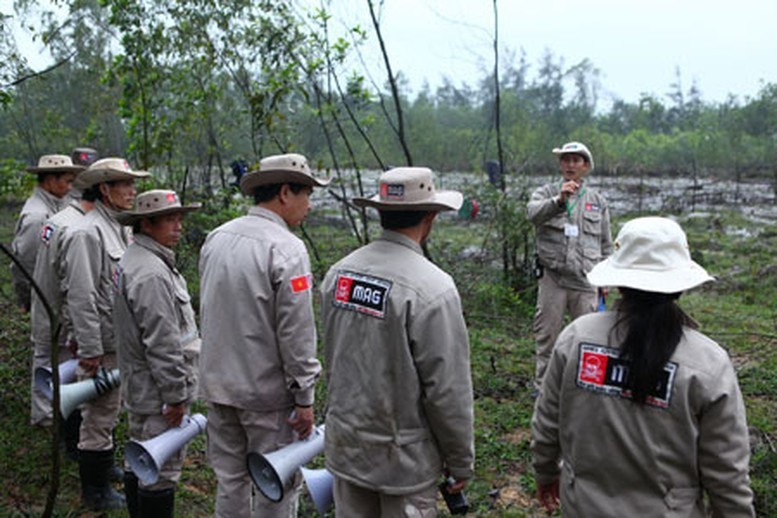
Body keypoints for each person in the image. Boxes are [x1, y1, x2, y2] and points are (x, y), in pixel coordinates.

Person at [531, 217, 755, 517]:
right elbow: (727, 474)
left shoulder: (576, 338)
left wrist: (546, 474)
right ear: (680, 284)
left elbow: (547, 424)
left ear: (619, 280)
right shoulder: (708, 364)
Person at [320, 166, 475, 517]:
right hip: (402, 462)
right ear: (431, 217)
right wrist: (460, 460)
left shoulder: (339, 274)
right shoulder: (433, 289)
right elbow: (447, 390)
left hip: (347, 448)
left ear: (380, 213)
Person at [198, 153, 328, 517]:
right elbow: (296, 330)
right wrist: (304, 396)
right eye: (307, 194)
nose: (310, 205)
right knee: (277, 487)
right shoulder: (286, 248)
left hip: (218, 387)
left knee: (230, 480)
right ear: (285, 192)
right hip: (266, 398)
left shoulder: (217, 237)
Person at [61, 157, 150, 511]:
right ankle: (94, 490)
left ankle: (102, 466)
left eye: (132, 184)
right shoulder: (87, 232)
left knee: (110, 412)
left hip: (120, 340)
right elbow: (80, 295)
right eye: (125, 184)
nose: (132, 191)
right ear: (104, 188)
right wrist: (90, 348)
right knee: (97, 415)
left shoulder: (120, 228)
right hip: (103, 343)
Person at [113, 190, 201, 517]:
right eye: (169, 219)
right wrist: (175, 395)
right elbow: (163, 341)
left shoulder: (139, 259)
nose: (178, 225)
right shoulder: (151, 271)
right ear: (147, 224)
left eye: (179, 217)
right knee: (160, 470)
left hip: (142, 385)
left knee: (140, 458)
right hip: (156, 392)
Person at [527, 141, 612, 393]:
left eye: (576, 160)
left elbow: (606, 243)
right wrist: (559, 200)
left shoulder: (598, 201)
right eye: (566, 160)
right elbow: (532, 214)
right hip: (553, 279)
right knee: (547, 336)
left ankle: (586, 389)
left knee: (589, 338)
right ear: (560, 164)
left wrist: (606, 281)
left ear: (585, 166)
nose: (570, 165)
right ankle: (543, 388)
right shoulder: (545, 193)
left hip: (586, 281)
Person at [28, 174, 99, 458]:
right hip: (60, 314)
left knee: (52, 366)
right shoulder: (78, 228)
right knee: (52, 366)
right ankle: (52, 424)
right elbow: (78, 289)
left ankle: (54, 424)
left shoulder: (59, 219)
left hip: (50, 308)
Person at [11, 154, 85, 312]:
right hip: (46, 296)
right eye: (68, 181)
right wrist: (28, 298)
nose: (71, 187)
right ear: (51, 180)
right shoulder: (36, 217)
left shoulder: (62, 203)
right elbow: (26, 263)